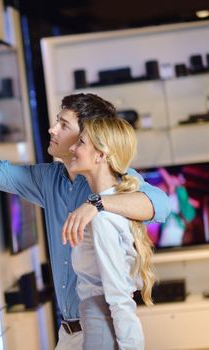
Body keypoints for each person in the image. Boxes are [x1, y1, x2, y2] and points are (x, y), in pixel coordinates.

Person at [0, 93, 169, 349]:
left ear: (90, 137)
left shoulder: (110, 179)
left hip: (98, 331)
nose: (52, 130)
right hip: (68, 332)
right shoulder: (50, 179)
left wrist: (97, 203)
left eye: (63, 125)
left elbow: (160, 204)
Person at [68, 116, 155, 349]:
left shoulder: (103, 219)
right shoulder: (108, 206)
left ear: (100, 155)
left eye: (81, 142)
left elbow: (119, 299)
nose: (72, 148)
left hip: (101, 326)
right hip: (97, 323)